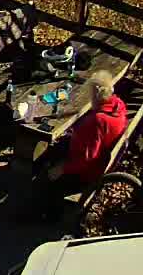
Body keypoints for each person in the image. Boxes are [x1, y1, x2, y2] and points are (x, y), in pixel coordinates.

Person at [32, 73, 129, 220]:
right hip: (101, 157)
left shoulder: (97, 121)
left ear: (95, 94)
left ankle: (46, 215)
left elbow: (86, 159)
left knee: (48, 178)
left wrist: (61, 168)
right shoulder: (117, 105)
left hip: (88, 172)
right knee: (57, 148)